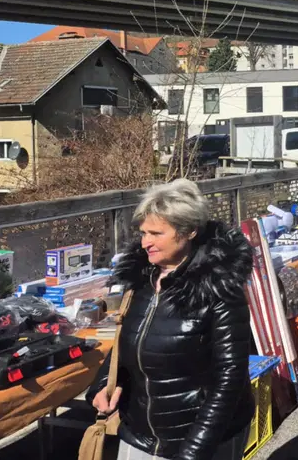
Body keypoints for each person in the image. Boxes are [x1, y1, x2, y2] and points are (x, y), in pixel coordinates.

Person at [87, 179, 254, 460]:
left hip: (201, 440)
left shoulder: (219, 288)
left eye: (156, 233)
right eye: (143, 233)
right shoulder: (140, 280)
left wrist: (193, 451)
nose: (145, 243)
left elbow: (229, 378)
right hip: (139, 435)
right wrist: (104, 383)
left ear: (188, 231)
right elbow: (126, 344)